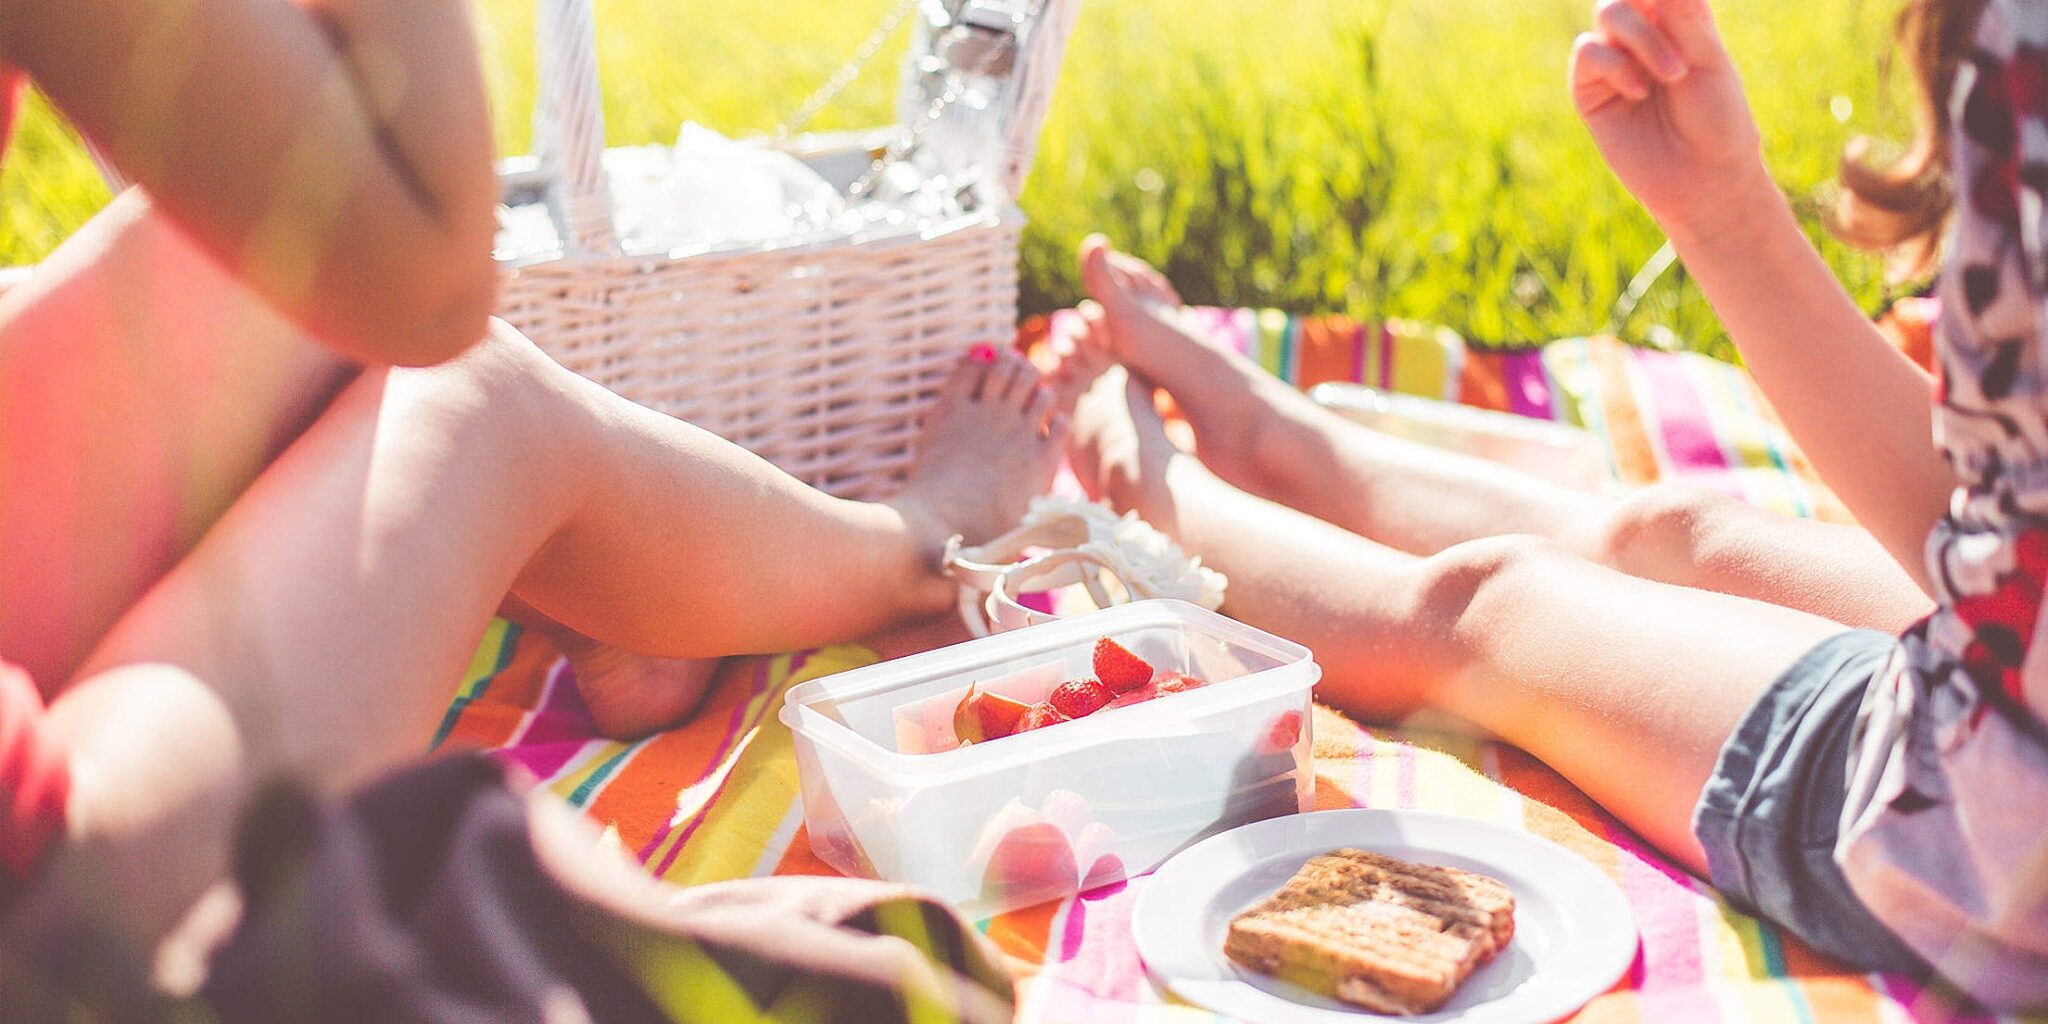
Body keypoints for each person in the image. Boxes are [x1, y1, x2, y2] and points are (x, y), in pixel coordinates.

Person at [0, 0, 1062, 1011]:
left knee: (265, 267)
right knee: (462, 391)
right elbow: (420, 262)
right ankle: (910, 547)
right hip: (36, 918)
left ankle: (622, 609)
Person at [1053, 0, 2047, 1006]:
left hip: (1994, 825)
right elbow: (1990, 507)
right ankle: (1277, 438)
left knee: (1495, 609)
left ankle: (1150, 488)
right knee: (1672, 534)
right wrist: (1720, 205)